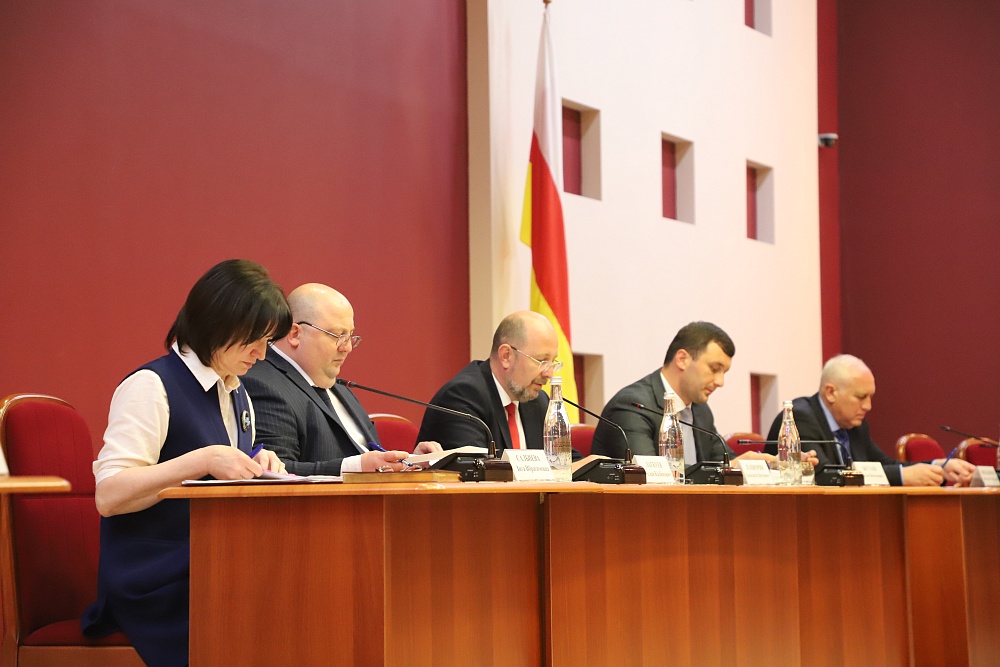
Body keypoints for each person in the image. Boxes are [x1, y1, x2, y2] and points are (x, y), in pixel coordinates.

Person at [81, 259, 292, 667]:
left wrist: (257, 462)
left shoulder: (237, 392)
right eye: (254, 340)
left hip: (212, 561)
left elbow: (221, 468)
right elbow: (109, 496)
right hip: (154, 579)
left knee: (296, 584)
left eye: (267, 341)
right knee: (272, 602)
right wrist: (203, 459)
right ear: (217, 323)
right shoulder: (150, 386)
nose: (262, 354)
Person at [242, 283, 440, 475]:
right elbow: (275, 471)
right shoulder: (263, 384)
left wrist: (408, 462)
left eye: (350, 336)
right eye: (337, 335)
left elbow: (368, 456)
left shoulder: (341, 390)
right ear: (295, 334)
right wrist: (355, 467)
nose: (347, 347)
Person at [591, 321, 816, 468]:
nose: (720, 382)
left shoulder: (700, 410)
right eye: (714, 369)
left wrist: (769, 463)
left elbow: (724, 461)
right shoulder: (633, 406)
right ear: (682, 359)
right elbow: (649, 474)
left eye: (724, 372)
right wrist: (731, 467)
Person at [766, 354, 974, 486]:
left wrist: (938, 466)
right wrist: (902, 477)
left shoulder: (854, 425)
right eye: (860, 397)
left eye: (870, 397)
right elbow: (822, 475)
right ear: (830, 392)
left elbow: (884, 464)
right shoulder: (799, 417)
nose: (868, 406)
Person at [417, 310, 563, 455]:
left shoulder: (538, 401)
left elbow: (565, 460)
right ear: (506, 356)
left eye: (553, 362)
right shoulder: (462, 396)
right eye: (542, 361)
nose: (549, 374)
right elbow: (477, 466)